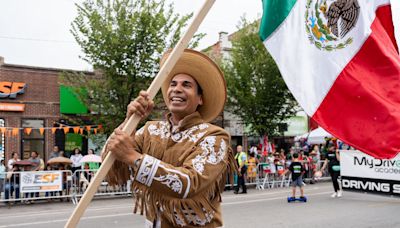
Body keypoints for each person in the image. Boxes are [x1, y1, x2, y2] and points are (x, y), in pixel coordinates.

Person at [105, 49, 236, 227]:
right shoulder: (150, 130)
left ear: (200, 99)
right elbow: (110, 169)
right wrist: (129, 121)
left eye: (186, 85)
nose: (176, 89)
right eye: (173, 84)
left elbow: (188, 183)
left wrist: (133, 157)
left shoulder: (214, 136)